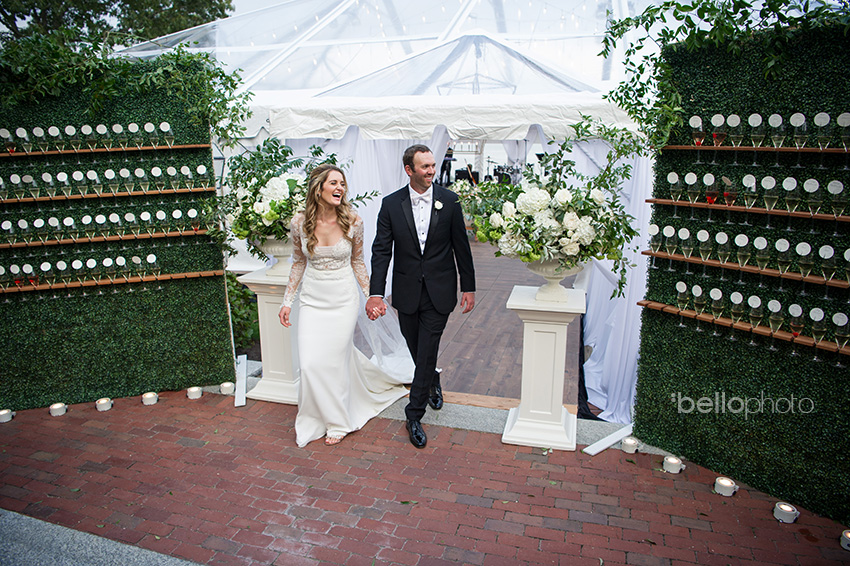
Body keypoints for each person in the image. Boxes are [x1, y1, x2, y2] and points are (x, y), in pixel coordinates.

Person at [279, 164, 411, 447]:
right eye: (334, 183)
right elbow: (298, 262)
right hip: (312, 300)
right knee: (311, 362)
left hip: (343, 299)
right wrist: (287, 301)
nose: (340, 188)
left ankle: (338, 421)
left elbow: (358, 261)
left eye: (342, 184)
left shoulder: (354, 221)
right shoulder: (299, 223)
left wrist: (372, 295)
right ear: (319, 188)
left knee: (336, 360)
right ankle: (313, 417)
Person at [366, 144, 476, 449]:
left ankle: (413, 413)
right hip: (407, 291)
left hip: (440, 290)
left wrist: (468, 286)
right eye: (424, 167)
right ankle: (433, 380)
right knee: (417, 348)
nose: (431, 171)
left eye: (432, 165)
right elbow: (381, 251)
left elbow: (461, 247)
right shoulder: (391, 204)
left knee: (428, 346)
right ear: (409, 170)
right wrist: (376, 292)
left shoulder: (449, 201)